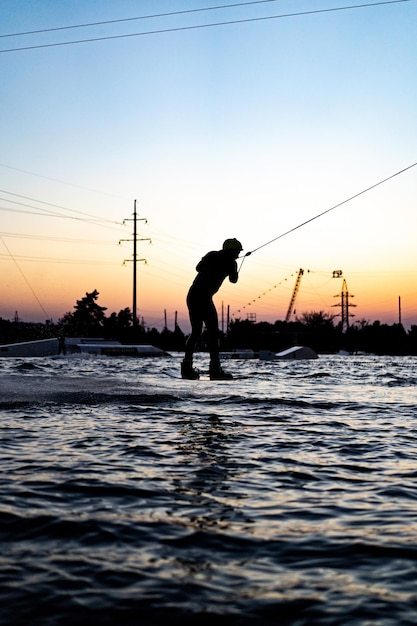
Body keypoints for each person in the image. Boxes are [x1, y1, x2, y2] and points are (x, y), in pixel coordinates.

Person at [181, 238, 243, 380]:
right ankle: (214, 369)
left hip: (195, 296)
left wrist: (232, 269)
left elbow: (232, 280)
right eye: (237, 252)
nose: (238, 255)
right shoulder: (219, 258)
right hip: (200, 297)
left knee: (197, 332)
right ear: (231, 250)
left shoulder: (221, 259)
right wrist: (228, 268)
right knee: (210, 333)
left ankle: (187, 367)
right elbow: (200, 268)